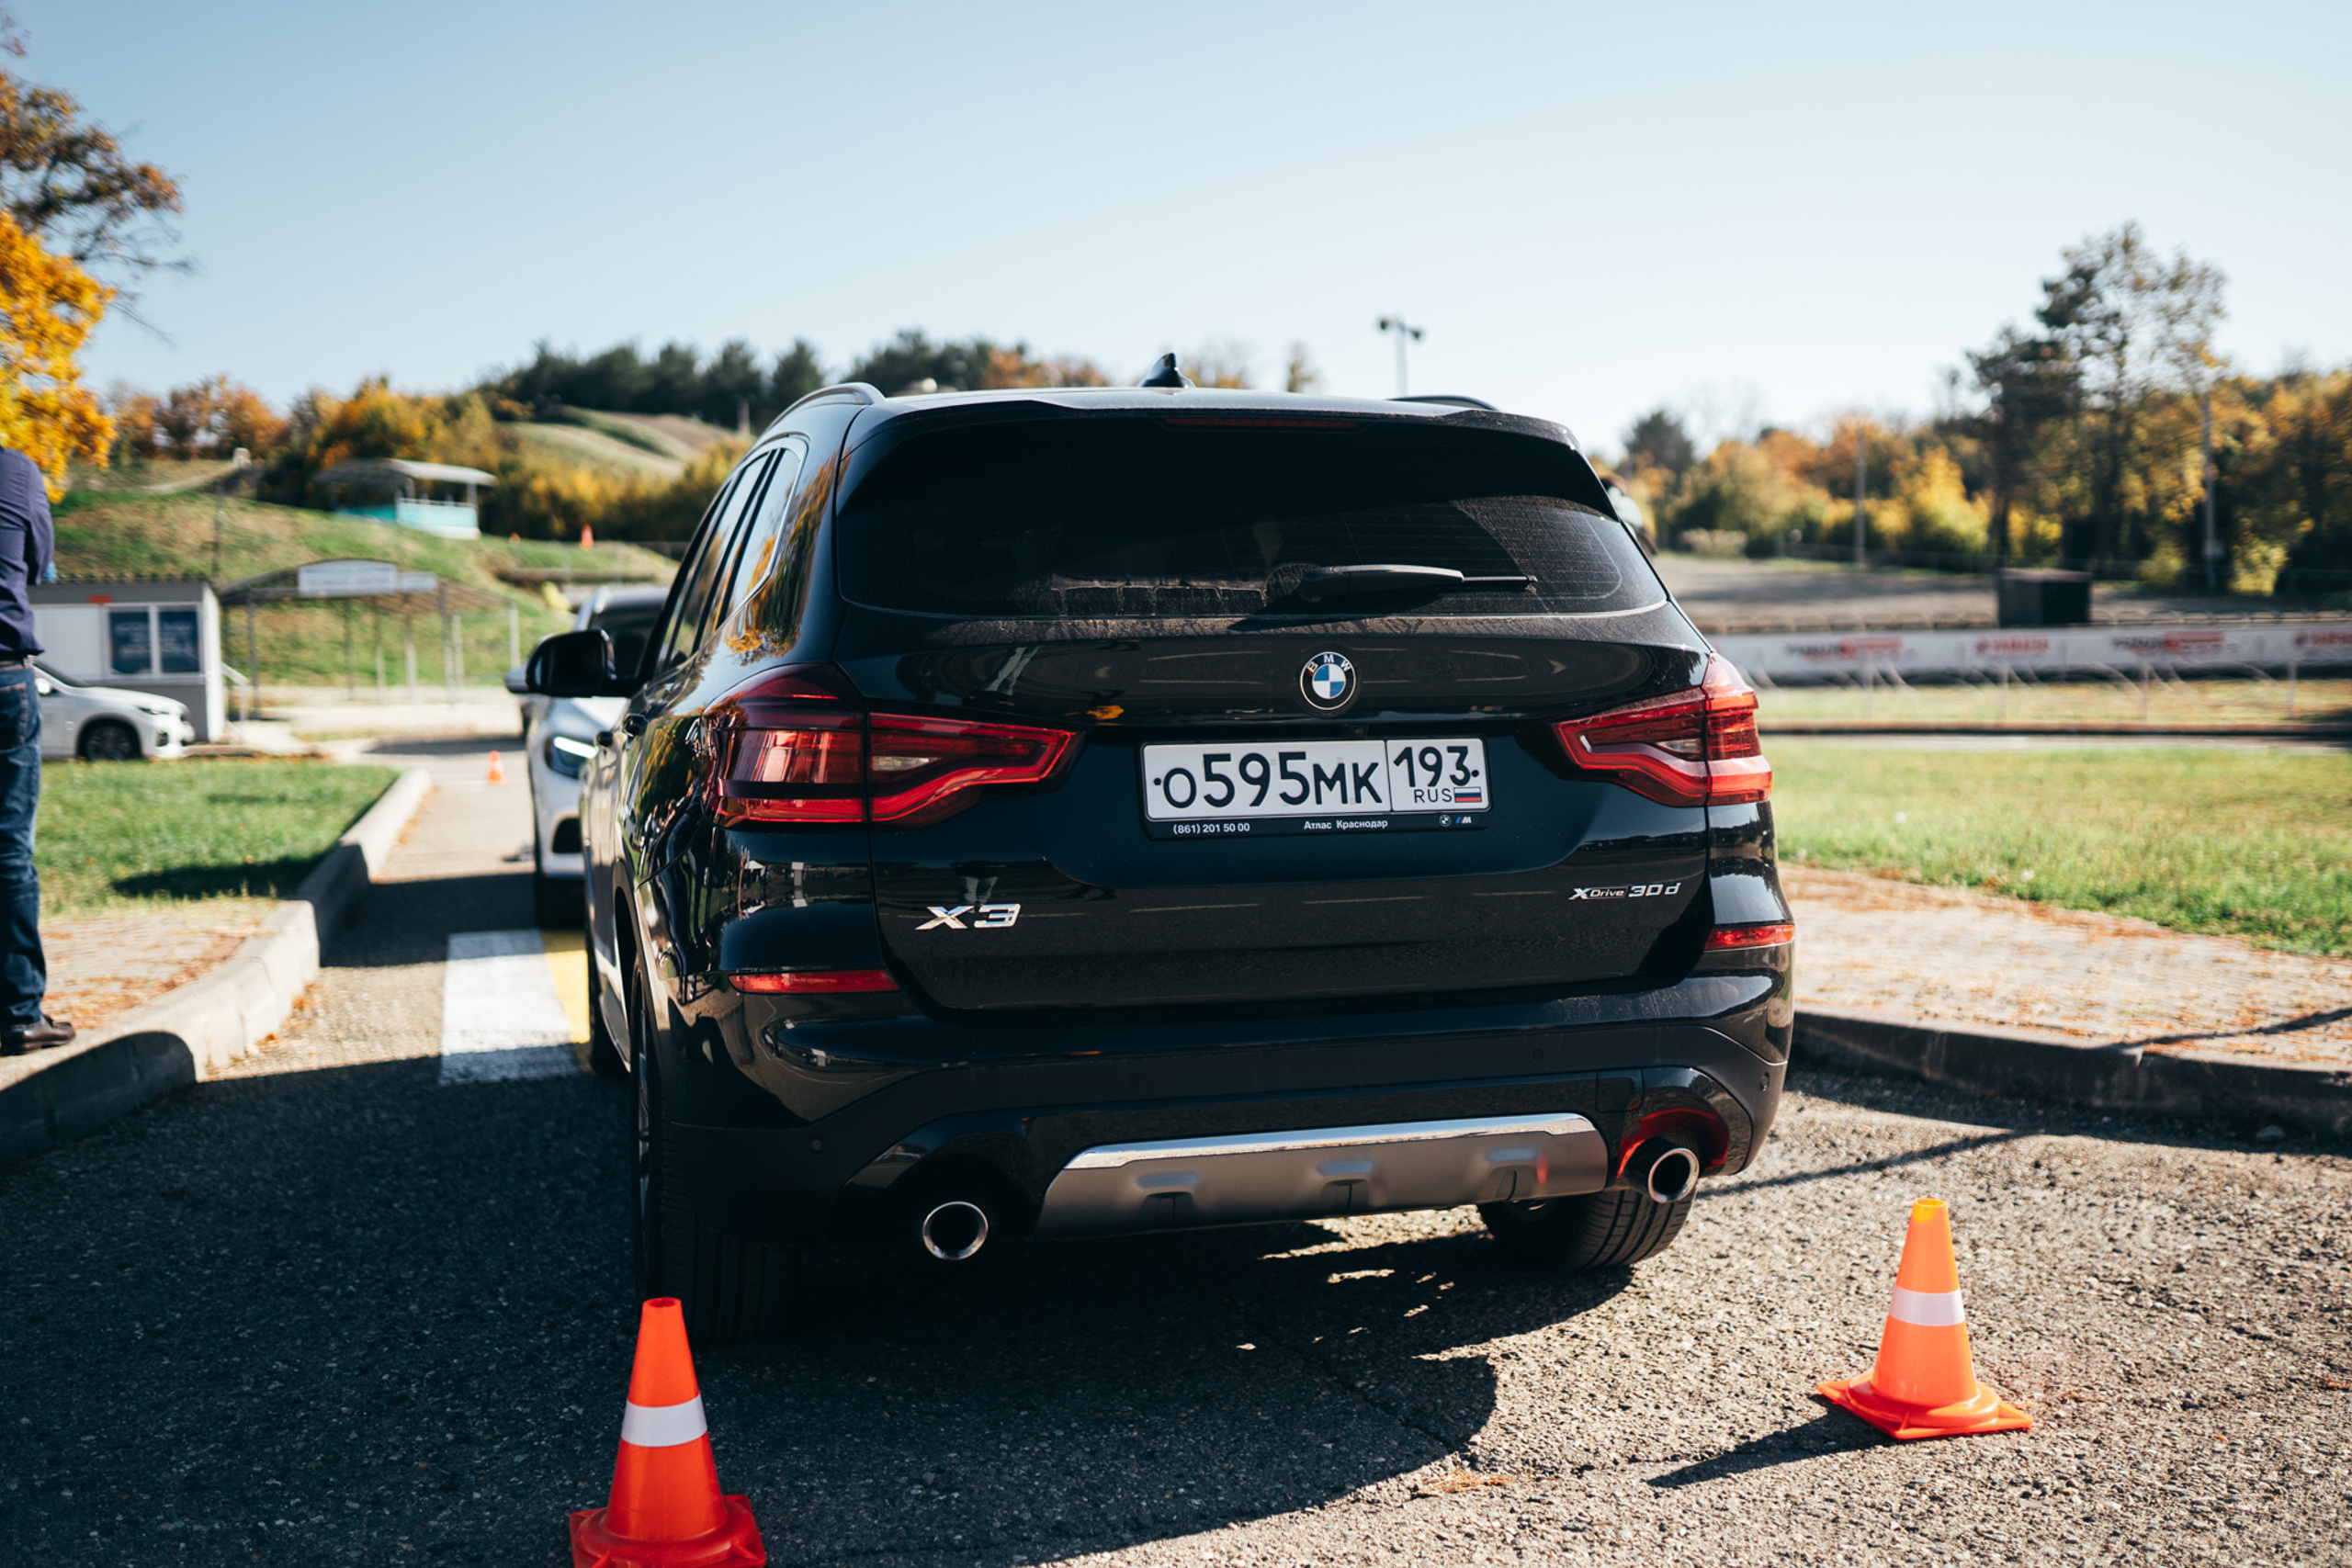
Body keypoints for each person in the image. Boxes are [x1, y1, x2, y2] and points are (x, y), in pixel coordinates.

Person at [0, 446, 72, 1054]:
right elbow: (39, 562)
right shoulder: (17, 471)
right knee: (7, 847)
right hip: (2, 673)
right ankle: (19, 1012)